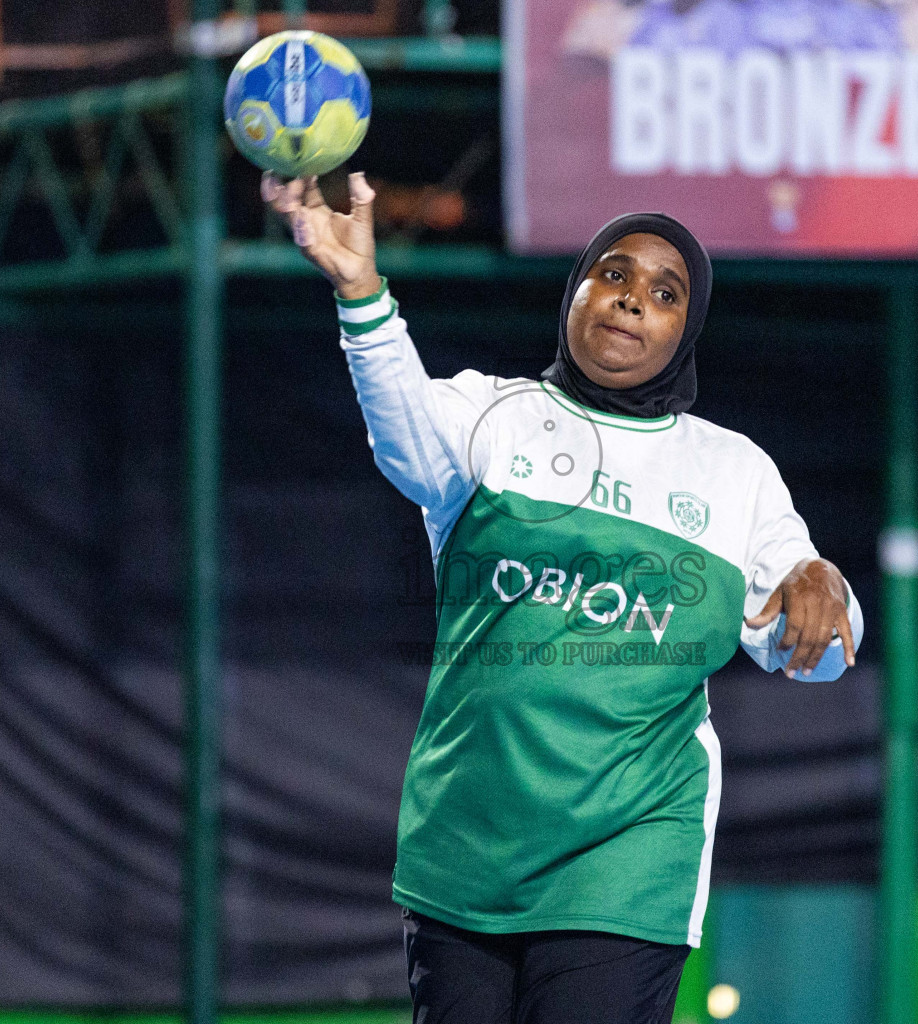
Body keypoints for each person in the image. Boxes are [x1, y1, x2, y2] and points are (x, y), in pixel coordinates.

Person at [263, 170, 865, 1024]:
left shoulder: (732, 472)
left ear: (685, 329)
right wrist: (362, 293)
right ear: (576, 288)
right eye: (613, 274)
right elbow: (403, 437)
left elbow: (819, 652)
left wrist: (824, 582)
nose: (629, 302)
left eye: (663, 292)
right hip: (466, 847)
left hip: (627, 861)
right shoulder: (492, 416)